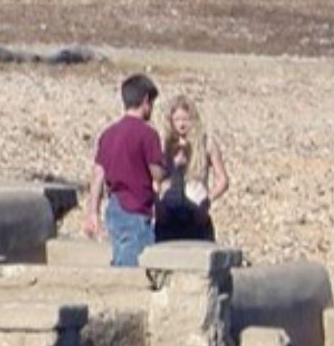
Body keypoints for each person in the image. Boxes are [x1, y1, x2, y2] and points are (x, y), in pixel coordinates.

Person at [82, 74, 166, 267]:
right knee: (132, 266)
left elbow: (98, 176)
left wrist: (92, 211)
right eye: (151, 104)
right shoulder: (147, 134)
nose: (151, 109)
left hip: (114, 207)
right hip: (136, 208)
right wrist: (168, 166)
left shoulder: (108, 134)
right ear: (145, 100)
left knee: (119, 254)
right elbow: (157, 174)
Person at [153, 94, 230, 243]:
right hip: (168, 211)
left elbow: (222, 180)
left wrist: (208, 200)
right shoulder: (163, 145)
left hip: (196, 207)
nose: (181, 124)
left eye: (185, 119)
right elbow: (154, 179)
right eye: (177, 120)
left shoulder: (206, 143)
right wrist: (158, 205)